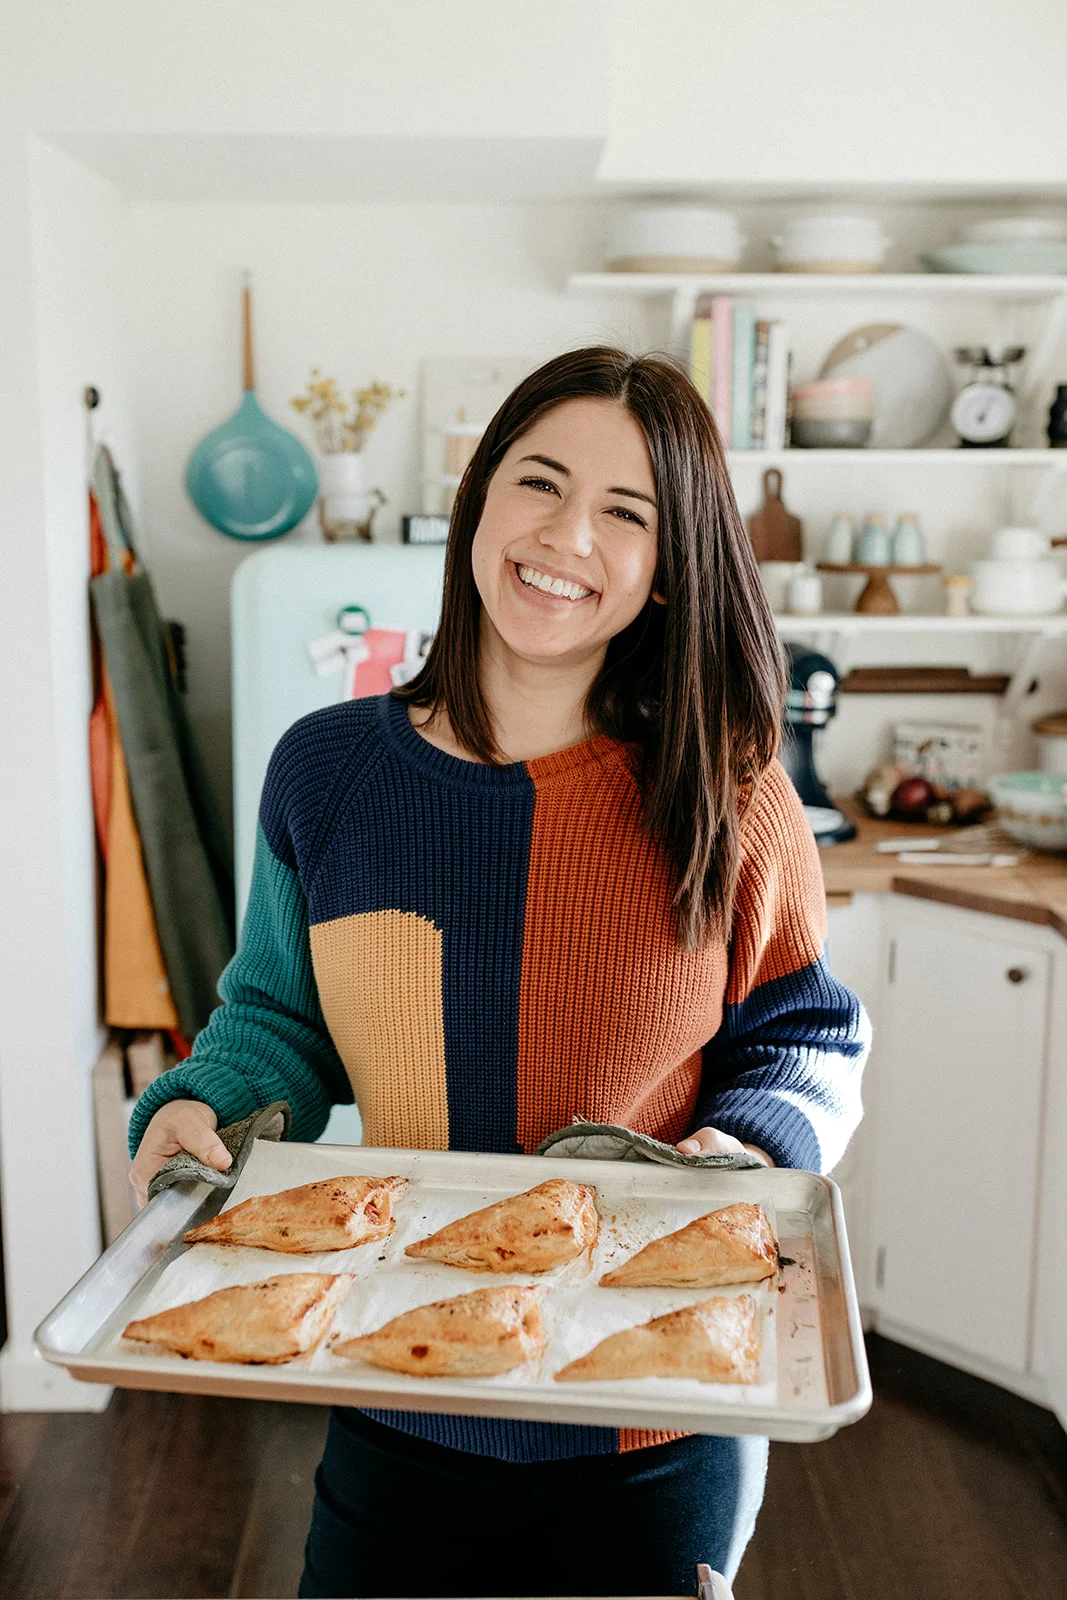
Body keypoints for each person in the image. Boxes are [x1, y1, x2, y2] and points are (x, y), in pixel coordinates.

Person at [128, 346, 870, 1599]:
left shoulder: (730, 793)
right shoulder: (326, 773)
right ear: (477, 498)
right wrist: (201, 1107)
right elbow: (277, 1017)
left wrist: (741, 1149)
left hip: (656, 1410)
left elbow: (802, 1034)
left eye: (625, 512)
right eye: (538, 481)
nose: (566, 534)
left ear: (667, 564)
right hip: (394, 1386)